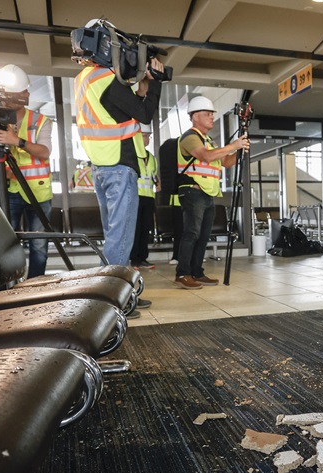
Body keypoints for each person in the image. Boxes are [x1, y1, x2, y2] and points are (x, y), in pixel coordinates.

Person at [73, 21, 164, 311]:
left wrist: (144, 83)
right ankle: (114, 302)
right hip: (118, 166)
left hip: (104, 166)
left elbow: (122, 110)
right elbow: (144, 113)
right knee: (120, 238)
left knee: (115, 237)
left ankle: (113, 295)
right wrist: (158, 82)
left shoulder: (86, 78)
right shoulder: (103, 78)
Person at [0, 64, 53, 279]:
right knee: (7, 241)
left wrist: (16, 141)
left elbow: (44, 152)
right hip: (7, 190)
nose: (11, 99)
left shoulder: (40, 121)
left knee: (38, 243)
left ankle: (35, 284)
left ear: (25, 94)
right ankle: (8, 283)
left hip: (38, 192)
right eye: (8, 94)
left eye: (17, 94)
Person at [174, 96, 250, 289]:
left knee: (203, 235)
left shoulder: (209, 140)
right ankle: (183, 273)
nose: (211, 117)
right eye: (207, 114)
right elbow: (206, 157)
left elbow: (226, 162)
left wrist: (239, 150)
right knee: (191, 233)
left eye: (212, 114)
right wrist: (233, 146)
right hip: (193, 191)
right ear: (194, 117)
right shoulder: (190, 137)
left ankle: (197, 272)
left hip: (207, 193)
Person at [130, 124, 158, 270]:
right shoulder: (132, 155)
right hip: (135, 196)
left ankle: (142, 258)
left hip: (148, 197)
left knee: (146, 228)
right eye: (145, 136)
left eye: (148, 136)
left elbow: (153, 175)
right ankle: (134, 259)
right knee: (135, 229)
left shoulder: (151, 157)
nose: (147, 139)